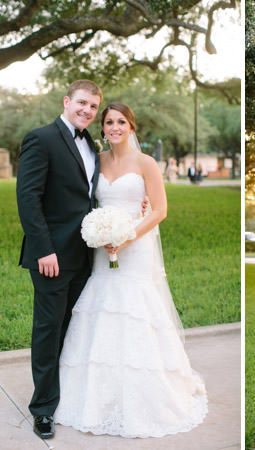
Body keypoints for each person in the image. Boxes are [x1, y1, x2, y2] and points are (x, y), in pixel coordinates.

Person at [53, 102, 207, 438]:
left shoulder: (146, 163)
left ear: (131, 127)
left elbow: (160, 210)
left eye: (121, 121)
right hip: (102, 247)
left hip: (135, 246)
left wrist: (126, 236)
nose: (114, 127)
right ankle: (96, 396)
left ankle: (146, 393)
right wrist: (101, 232)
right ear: (103, 128)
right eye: (109, 122)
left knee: (135, 308)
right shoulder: (96, 161)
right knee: (102, 305)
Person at [16, 80, 103, 440]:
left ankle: (67, 397)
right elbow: (28, 197)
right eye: (82, 103)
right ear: (67, 101)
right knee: (49, 331)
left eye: (94, 107)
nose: (87, 110)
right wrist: (43, 249)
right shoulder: (41, 138)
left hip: (85, 255)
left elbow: (88, 197)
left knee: (73, 330)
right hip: (51, 255)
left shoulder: (93, 145)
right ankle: (43, 409)